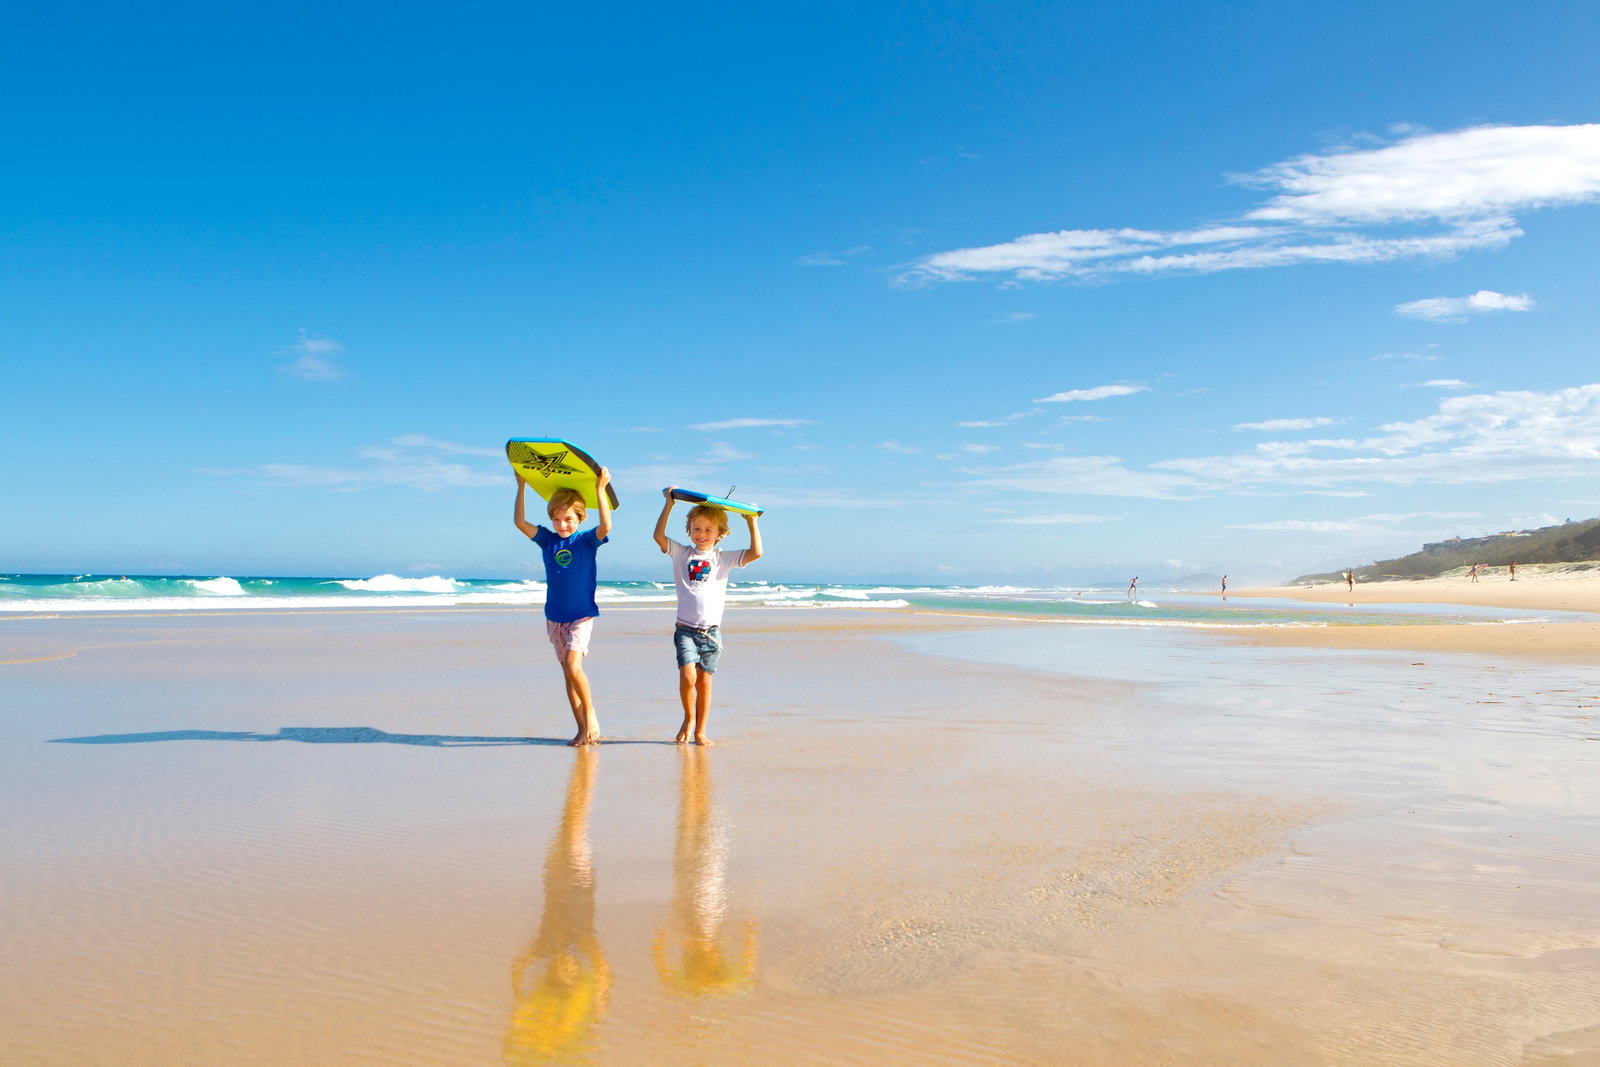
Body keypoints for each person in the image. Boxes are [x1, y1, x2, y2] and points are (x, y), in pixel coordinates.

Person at [653, 489, 764, 745]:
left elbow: (756, 552)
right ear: (689, 530)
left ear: (719, 534)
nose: (701, 534)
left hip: (711, 634)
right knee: (688, 676)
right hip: (685, 630)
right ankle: (688, 718)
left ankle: (701, 731)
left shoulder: (723, 559)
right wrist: (668, 505)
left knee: (704, 684)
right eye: (696, 529)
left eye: (707, 530)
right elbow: (658, 536)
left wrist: (751, 521)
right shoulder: (681, 553)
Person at [513, 469, 612, 746]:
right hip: (555, 616)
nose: (562, 525)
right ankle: (581, 728)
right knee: (568, 674)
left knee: (573, 665)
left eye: (568, 519)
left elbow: (606, 527)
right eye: (556, 519)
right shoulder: (548, 540)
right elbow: (520, 522)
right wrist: (521, 486)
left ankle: (589, 715)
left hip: (581, 615)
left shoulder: (586, 540)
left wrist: (600, 489)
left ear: (580, 518)